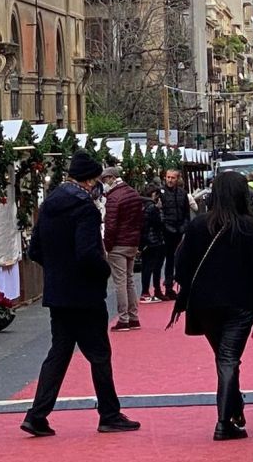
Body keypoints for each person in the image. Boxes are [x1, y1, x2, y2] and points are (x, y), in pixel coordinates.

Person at [21, 151, 140, 437]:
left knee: (59, 352)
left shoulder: (50, 204)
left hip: (58, 293)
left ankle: (37, 415)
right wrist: (103, 273)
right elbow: (87, 253)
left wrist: (57, 272)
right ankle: (109, 414)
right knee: (99, 353)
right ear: (90, 180)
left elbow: (34, 249)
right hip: (84, 294)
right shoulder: (84, 207)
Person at [169, 172, 253, 441]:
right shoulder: (249, 227)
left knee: (224, 358)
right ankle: (223, 422)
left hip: (205, 305)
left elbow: (181, 266)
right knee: (228, 359)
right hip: (240, 303)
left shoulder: (198, 226)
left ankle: (234, 409)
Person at [101, 167, 144, 331]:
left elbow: (110, 225)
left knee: (120, 282)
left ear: (111, 178)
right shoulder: (133, 193)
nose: (104, 184)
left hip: (118, 243)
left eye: (105, 180)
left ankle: (124, 318)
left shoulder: (114, 197)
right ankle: (134, 317)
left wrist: (107, 245)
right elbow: (140, 219)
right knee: (129, 280)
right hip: (132, 242)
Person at [158, 169, 190, 299]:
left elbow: (186, 213)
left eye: (173, 178)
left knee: (180, 258)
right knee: (169, 259)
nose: (170, 180)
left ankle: (181, 284)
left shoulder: (183, 193)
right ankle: (169, 286)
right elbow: (160, 213)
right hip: (166, 231)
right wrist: (166, 227)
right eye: (168, 177)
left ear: (178, 179)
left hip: (179, 229)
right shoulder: (161, 193)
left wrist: (184, 227)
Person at [139, 184, 165, 303]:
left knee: (146, 267)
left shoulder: (142, 205)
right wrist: (159, 209)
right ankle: (150, 291)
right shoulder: (152, 207)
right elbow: (158, 224)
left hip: (146, 241)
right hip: (154, 240)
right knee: (154, 267)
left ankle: (146, 291)